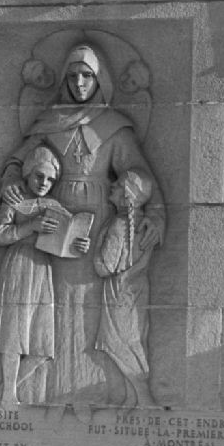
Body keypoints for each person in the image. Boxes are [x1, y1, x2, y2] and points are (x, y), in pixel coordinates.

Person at [1, 42, 164, 404]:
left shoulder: (114, 128)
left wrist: (153, 218)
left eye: (87, 75)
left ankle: (95, 395)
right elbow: (17, 162)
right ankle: (54, 395)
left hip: (99, 224)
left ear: (99, 78)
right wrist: (11, 183)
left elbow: (141, 178)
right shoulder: (50, 122)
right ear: (64, 78)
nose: (79, 83)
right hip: (55, 221)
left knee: (94, 310)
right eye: (73, 75)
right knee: (56, 307)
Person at [0, 145, 75, 405]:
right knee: (13, 332)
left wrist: (78, 243)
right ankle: (8, 394)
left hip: (42, 269)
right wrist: (30, 227)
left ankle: (1, 391)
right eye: (39, 176)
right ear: (27, 174)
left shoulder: (54, 205)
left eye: (50, 179)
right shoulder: (15, 200)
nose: (44, 183)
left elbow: (68, 236)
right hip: (18, 265)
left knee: (42, 343)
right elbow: (0, 234)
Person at [93, 170, 157, 407]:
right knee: (133, 342)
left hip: (118, 291)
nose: (112, 185)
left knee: (117, 344)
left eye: (118, 184)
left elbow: (105, 267)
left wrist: (94, 251)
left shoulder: (119, 225)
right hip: (137, 288)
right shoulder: (144, 224)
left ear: (127, 195)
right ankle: (132, 399)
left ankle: (145, 399)